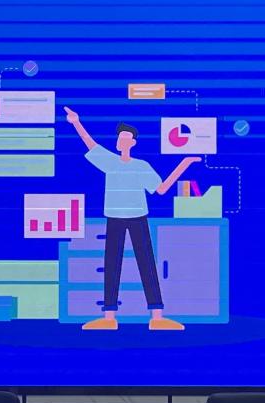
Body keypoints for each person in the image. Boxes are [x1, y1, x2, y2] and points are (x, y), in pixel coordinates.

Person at [64, 106, 201, 331]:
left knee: (147, 264)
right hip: (114, 218)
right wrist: (76, 122)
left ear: (133, 143)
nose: (121, 141)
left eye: (126, 138)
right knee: (111, 265)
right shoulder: (110, 162)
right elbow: (90, 144)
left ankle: (157, 316)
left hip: (138, 218)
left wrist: (184, 164)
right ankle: (109, 317)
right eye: (120, 138)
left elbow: (161, 189)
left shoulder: (141, 167)